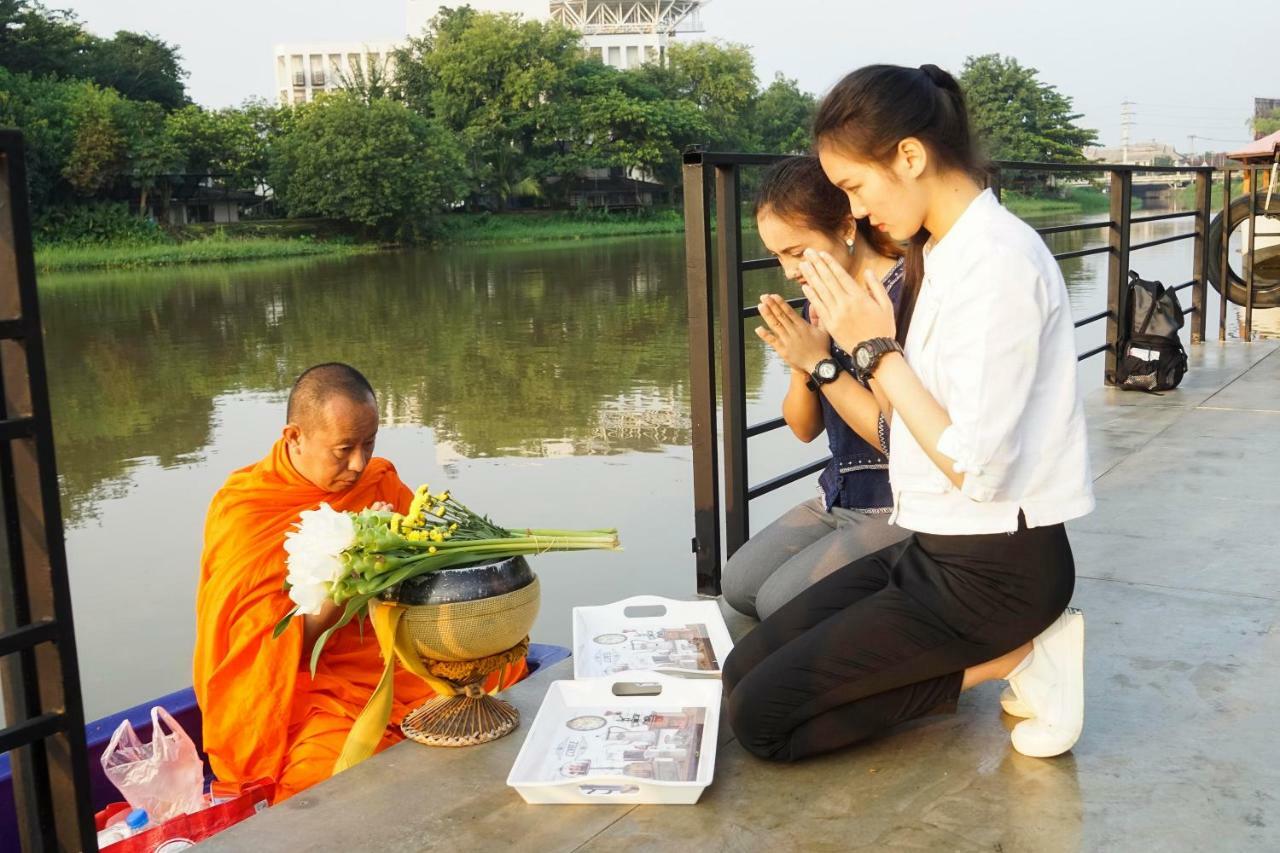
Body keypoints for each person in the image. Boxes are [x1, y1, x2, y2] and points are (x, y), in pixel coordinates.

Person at [723, 64, 1095, 761]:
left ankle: (1022, 655)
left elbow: (975, 469)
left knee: (763, 722)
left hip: (995, 574)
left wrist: (871, 348)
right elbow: (908, 432)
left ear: (912, 156)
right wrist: (837, 354)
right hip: (932, 546)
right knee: (740, 672)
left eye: (856, 188)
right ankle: (1007, 654)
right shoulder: (942, 256)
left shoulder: (998, 265)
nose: (857, 213)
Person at [193, 363, 527, 801]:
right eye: (343, 449)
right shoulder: (247, 511)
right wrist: (345, 583)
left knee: (500, 668)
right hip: (309, 686)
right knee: (326, 775)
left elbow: (427, 573)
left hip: (394, 658)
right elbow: (261, 649)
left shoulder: (379, 482)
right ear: (294, 437)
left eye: (368, 445)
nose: (358, 464)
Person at [721, 155, 918, 621]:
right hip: (840, 495)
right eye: (777, 256)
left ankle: (909, 596)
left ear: (847, 226)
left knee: (780, 602)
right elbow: (803, 428)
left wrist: (821, 363)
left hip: (897, 502)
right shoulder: (821, 301)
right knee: (740, 585)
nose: (788, 271)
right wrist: (799, 362)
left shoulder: (905, 294)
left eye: (796, 251)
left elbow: (903, 439)